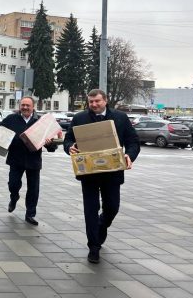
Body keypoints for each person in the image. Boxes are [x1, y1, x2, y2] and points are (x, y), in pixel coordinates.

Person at [64, 89, 140, 264]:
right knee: (90, 210)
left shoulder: (120, 117)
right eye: (91, 102)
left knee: (112, 207)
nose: (94, 105)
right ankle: (94, 247)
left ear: (105, 100)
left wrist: (129, 155)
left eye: (97, 101)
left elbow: (133, 141)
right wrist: (70, 147)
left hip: (112, 172)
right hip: (89, 173)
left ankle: (102, 225)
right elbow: (68, 140)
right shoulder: (80, 118)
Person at [0, 96, 58, 226]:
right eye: (22, 105)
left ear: (33, 107)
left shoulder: (40, 122)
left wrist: (49, 143)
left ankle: (30, 214)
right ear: (19, 106)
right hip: (15, 159)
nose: (25, 107)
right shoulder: (11, 119)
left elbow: (52, 147)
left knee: (33, 189)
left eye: (27, 105)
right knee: (13, 184)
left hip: (33, 161)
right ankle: (14, 197)